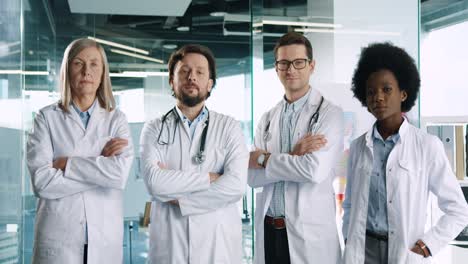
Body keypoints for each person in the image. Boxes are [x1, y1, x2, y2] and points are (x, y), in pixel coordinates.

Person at [342, 42, 468, 264]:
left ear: (403, 94)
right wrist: (348, 238)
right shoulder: (358, 147)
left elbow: (459, 209)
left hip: (405, 251)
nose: (378, 97)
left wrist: (430, 244)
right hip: (362, 250)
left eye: (386, 89)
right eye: (371, 92)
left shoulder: (427, 146)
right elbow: (350, 204)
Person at [26, 38, 134, 264]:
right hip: (59, 240)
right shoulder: (46, 118)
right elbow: (43, 182)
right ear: (67, 70)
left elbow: (118, 175)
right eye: (78, 63)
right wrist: (100, 165)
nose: (87, 71)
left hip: (104, 239)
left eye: (94, 64)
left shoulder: (116, 119)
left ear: (103, 72)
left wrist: (67, 164)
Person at [140, 44, 248, 263]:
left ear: (210, 84)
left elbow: (236, 186)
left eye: (200, 72)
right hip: (171, 247)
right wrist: (210, 178)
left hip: (217, 248)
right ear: (172, 80)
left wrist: (180, 200)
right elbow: (154, 183)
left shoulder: (229, 127)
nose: (192, 77)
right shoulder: (154, 128)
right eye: (184, 71)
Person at [248, 32, 344, 264]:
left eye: (298, 62)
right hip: (270, 230)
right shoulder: (268, 118)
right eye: (284, 63)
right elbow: (251, 177)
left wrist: (263, 159)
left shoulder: (330, 114)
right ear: (276, 68)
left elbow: (313, 170)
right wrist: (291, 156)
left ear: (311, 66)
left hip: (309, 236)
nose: (291, 69)